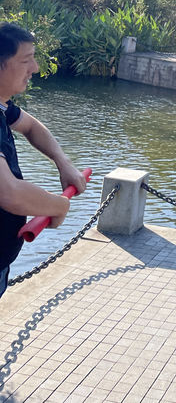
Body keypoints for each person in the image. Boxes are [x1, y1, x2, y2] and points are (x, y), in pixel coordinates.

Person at [0, 22, 87, 299]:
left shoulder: (3, 107)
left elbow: (31, 126)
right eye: (26, 60)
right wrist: (59, 205)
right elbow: (9, 193)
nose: (35, 68)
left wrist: (63, 163)